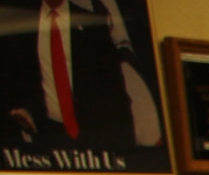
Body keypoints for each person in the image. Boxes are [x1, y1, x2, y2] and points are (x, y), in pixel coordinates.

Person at [1, 0, 156, 153]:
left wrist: (124, 154)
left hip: (90, 138)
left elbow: (114, 91)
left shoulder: (92, 24)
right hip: (43, 136)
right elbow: (16, 80)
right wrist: (26, 109)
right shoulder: (20, 20)